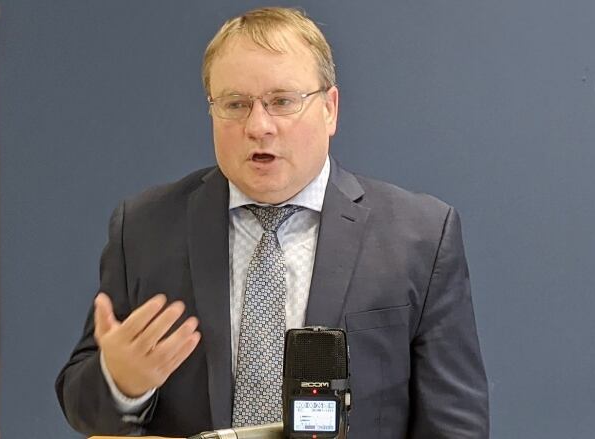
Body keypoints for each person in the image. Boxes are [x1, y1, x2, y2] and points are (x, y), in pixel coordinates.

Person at [56, 6, 489, 438]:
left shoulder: (420, 235)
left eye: (282, 101)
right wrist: (123, 384)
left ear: (330, 109)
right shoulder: (146, 228)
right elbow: (82, 406)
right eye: (235, 104)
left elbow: (455, 423)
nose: (258, 126)